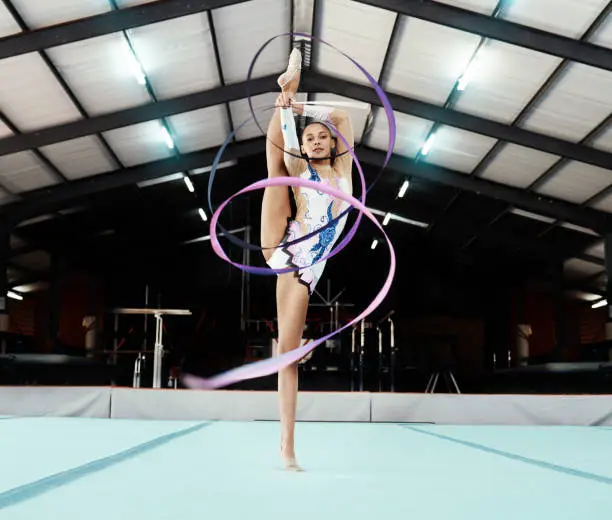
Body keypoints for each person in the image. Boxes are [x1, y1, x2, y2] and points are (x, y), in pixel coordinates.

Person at [260, 47, 354, 471]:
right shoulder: (302, 167)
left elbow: (345, 117)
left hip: (310, 269)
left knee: (290, 353)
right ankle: (287, 448)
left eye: (321, 137)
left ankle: (288, 93)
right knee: (275, 169)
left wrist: (308, 110)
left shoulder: (344, 172)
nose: (316, 141)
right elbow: (284, 140)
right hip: (287, 254)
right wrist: (290, 110)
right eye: (310, 137)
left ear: (333, 144)